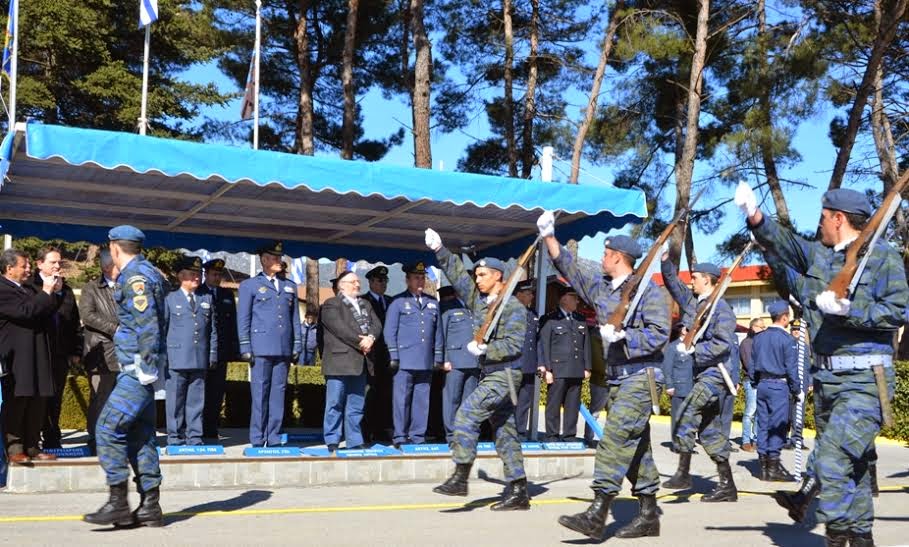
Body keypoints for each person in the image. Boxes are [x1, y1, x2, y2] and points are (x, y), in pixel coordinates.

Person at [735, 183, 908, 546]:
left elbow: (899, 310)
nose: (821, 224)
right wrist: (755, 215)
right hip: (828, 381)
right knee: (854, 469)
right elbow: (785, 244)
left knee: (830, 461)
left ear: (839, 219)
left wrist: (851, 311)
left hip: (864, 380)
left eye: (824, 218)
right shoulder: (821, 256)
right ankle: (859, 537)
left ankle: (836, 535)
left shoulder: (883, 257)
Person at [537, 210, 670, 540]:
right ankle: (649, 514)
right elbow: (570, 268)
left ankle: (598, 512)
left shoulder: (648, 293)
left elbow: (659, 333)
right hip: (618, 378)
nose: (602, 257)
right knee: (636, 447)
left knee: (613, 439)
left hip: (642, 376)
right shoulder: (604, 289)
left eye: (607, 254)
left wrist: (626, 338)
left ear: (619, 258)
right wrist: (550, 237)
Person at [425, 228, 530, 510]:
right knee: (505, 432)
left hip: (505, 374)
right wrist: (440, 250)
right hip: (492, 374)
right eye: (477, 275)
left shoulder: (514, 308)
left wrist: (486, 350)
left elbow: (514, 345)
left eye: (483, 275)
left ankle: (460, 475)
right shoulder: (481, 303)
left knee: (466, 415)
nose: (477, 279)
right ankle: (519, 490)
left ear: (498, 276)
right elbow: (458, 276)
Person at [84, 225, 167, 527]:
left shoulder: (135, 278)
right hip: (140, 369)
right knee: (141, 435)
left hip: (136, 370)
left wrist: (145, 365)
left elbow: (148, 326)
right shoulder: (151, 272)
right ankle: (150, 506)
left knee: (107, 428)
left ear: (115, 248)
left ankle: (118, 501)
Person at [660, 256, 740, 503]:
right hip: (702, 373)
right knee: (708, 431)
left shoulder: (721, 309)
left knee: (685, 413)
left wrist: (696, 350)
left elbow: (723, 344)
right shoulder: (699, 305)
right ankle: (728, 486)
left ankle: (683, 474)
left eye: (694, 277)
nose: (690, 281)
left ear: (707, 280)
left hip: (716, 374)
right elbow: (675, 287)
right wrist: (665, 263)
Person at [237, 241, 302, 447]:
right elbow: (244, 319)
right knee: (260, 393)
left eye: (280, 258)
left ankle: (273, 436)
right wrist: (245, 347)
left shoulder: (289, 286)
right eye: (274, 258)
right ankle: (257, 438)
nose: (278, 261)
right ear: (263, 260)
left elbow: (294, 320)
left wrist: (296, 345)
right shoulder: (250, 285)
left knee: (278, 393)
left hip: (282, 348)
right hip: (261, 347)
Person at [0, 248, 61, 464]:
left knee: (38, 401)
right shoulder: (3, 289)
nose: (28, 270)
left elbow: (46, 311)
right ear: (9, 268)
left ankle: (34, 446)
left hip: (38, 352)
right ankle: (15, 448)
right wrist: (45, 292)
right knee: (18, 401)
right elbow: (26, 312)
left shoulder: (29, 288)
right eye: (23, 266)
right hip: (17, 356)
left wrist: (51, 293)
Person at [319, 270, 381, 452]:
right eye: (353, 281)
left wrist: (371, 338)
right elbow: (339, 328)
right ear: (342, 285)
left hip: (360, 361)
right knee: (335, 403)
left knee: (356, 404)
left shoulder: (366, 304)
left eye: (358, 281)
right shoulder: (331, 304)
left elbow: (376, 325)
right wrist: (361, 341)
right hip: (339, 361)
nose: (358, 284)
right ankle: (332, 439)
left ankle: (354, 440)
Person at [383, 261, 443, 447]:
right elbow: (389, 331)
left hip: (425, 360)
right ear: (407, 280)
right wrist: (394, 356)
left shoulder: (432, 302)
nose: (420, 281)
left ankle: (418, 436)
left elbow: (438, 332)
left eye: (422, 278)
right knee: (401, 400)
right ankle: (400, 436)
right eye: (416, 278)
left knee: (421, 401)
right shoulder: (398, 302)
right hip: (405, 360)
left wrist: (438, 357)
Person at [163, 256, 218, 447]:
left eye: (198, 274)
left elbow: (212, 331)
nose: (197, 278)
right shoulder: (170, 299)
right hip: (176, 358)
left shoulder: (206, 299)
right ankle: (175, 437)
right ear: (181, 276)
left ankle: (194, 437)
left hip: (199, 357)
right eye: (193, 274)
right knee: (175, 402)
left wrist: (212, 354)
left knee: (196, 401)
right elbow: (163, 329)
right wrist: (163, 357)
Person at [33, 247, 82, 450]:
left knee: (55, 397)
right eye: (52, 262)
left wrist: (76, 352)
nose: (57, 266)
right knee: (37, 398)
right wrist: (49, 291)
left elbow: (73, 323)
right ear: (39, 264)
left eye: (59, 263)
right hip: (36, 354)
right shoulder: (30, 287)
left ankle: (53, 438)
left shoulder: (67, 290)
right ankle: (33, 437)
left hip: (59, 354)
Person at [748, 300, 799, 482]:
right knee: (777, 426)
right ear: (784, 318)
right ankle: (773, 467)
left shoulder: (759, 338)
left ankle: (762, 466)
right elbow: (792, 369)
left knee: (763, 423)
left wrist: (755, 382)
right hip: (779, 386)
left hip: (762, 385)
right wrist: (796, 389)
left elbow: (752, 365)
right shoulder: (787, 340)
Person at [537, 285, 592, 442]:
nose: (577, 301)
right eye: (573, 297)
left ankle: (569, 435)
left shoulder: (580, 319)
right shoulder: (549, 319)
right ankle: (552, 435)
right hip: (557, 370)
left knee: (572, 405)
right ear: (564, 299)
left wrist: (587, 366)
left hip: (576, 369)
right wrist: (547, 370)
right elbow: (544, 344)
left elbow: (585, 345)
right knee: (553, 405)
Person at [79, 249, 121, 455]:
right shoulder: (91, 288)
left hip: (125, 354)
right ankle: (96, 437)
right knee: (101, 398)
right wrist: (115, 329)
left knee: (122, 399)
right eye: (117, 265)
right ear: (106, 267)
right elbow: (87, 316)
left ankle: (116, 437)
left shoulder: (127, 287)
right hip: (101, 353)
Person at [200, 258, 239, 441]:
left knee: (216, 393)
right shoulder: (198, 293)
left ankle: (211, 428)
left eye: (219, 275)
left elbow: (232, 325)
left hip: (221, 353)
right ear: (205, 274)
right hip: (200, 352)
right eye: (214, 274)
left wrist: (235, 350)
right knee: (198, 393)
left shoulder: (226, 295)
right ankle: (195, 429)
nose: (217, 278)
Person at [438, 285, 481, 445]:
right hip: (454, 361)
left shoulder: (478, 309)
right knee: (452, 400)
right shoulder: (448, 308)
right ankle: (451, 435)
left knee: (469, 401)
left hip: (473, 361)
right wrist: (443, 359)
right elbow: (441, 334)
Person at [362, 265, 394, 443]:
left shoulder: (391, 301)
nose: (383, 284)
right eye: (380, 280)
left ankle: (383, 430)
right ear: (371, 282)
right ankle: (367, 431)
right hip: (371, 356)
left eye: (386, 281)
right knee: (369, 396)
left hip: (388, 357)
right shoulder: (363, 301)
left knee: (386, 395)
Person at [513, 279, 540, 440]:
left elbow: (537, 341)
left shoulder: (533, 314)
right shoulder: (508, 313)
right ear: (519, 295)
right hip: (513, 364)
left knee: (524, 401)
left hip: (529, 365)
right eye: (528, 293)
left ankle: (520, 432)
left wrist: (540, 363)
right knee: (509, 402)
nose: (531, 296)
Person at [661, 322, 693, 453]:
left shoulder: (693, 346)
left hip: (692, 386)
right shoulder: (673, 347)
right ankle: (677, 444)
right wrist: (669, 385)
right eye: (689, 329)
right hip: (679, 387)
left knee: (690, 418)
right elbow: (667, 368)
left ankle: (687, 444)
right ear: (683, 331)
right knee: (677, 417)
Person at [785, 319, 812, 451]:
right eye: (794, 330)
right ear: (791, 331)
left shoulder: (805, 347)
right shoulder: (786, 344)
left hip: (802, 384)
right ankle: (784, 439)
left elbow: (808, 365)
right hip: (788, 384)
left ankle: (797, 440)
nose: (796, 332)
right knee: (787, 414)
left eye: (798, 330)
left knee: (799, 414)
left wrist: (810, 382)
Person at [739, 317, 766, 452]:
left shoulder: (761, 342)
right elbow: (749, 364)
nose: (763, 329)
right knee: (750, 412)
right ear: (753, 327)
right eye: (761, 327)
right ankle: (745, 440)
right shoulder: (746, 343)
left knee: (759, 413)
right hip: (751, 381)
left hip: (762, 381)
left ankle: (756, 440)